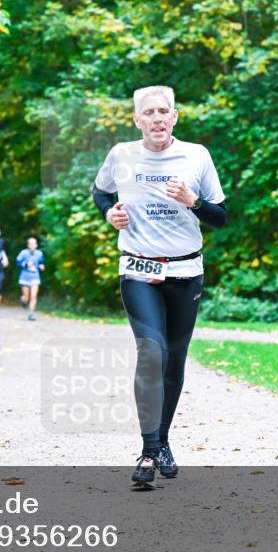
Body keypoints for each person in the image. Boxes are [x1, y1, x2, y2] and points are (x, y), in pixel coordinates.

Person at [92, 85, 228, 489]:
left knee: (174, 361)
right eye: (148, 112)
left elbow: (221, 217)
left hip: (186, 273)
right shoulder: (121, 155)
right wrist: (109, 213)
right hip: (138, 270)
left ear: (174, 117)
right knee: (152, 354)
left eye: (163, 111)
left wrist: (194, 201)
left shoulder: (197, 156)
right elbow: (100, 192)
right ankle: (149, 451)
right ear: (137, 120)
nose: (156, 118)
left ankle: (163, 439)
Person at [16, 237, 46, 321]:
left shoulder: (39, 253)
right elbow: (17, 262)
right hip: (25, 276)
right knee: (27, 297)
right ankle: (23, 300)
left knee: (33, 295)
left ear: (36, 245)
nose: (32, 245)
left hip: (35, 276)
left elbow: (41, 262)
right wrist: (25, 264)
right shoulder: (23, 253)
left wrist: (41, 266)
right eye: (31, 244)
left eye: (34, 243)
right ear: (28, 245)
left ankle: (31, 313)